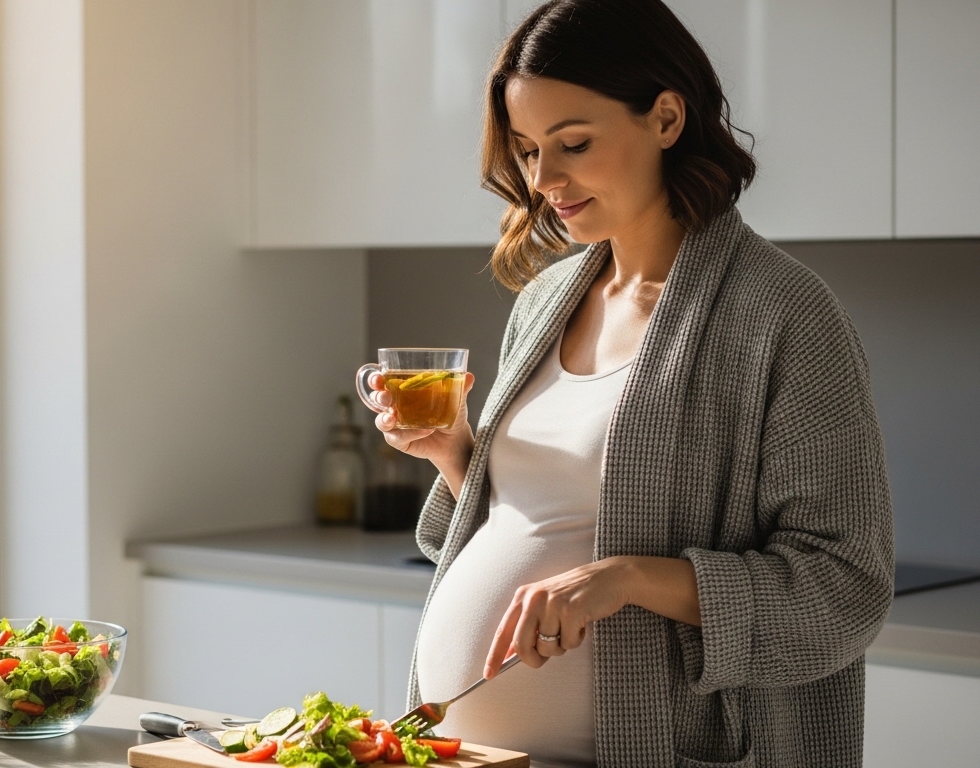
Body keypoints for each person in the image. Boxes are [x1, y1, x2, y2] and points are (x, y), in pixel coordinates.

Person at [360, 1, 895, 765]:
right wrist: (459, 456)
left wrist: (629, 580)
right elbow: (531, 522)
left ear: (667, 118)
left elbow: (844, 589)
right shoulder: (549, 298)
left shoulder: (781, 314)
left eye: (573, 142)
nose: (545, 179)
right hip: (467, 747)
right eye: (528, 149)